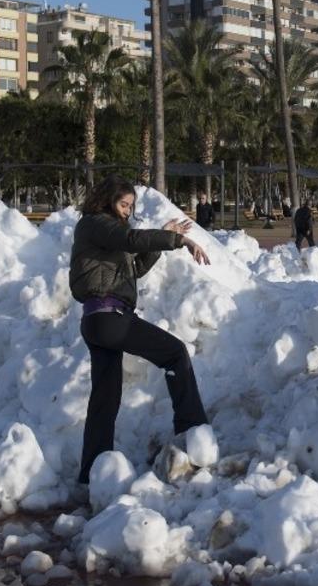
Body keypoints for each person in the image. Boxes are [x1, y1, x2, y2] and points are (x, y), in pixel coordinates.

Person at [69, 176, 212, 484]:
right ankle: (193, 431)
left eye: (131, 206)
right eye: (123, 204)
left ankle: (91, 474)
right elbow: (132, 240)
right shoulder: (96, 224)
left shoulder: (105, 235)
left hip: (98, 321)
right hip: (109, 318)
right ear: (107, 201)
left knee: (105, 399)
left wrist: (164, 240)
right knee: (175, 353)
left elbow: (134, 268)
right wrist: (179, 240)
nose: (127, 211)